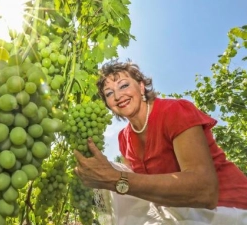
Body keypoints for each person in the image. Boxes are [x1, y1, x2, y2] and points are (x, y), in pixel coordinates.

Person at [73, 59, 247, 224]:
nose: (118, 96)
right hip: (180, 212)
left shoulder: (174, 111)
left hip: (227, 209)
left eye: (124, 85)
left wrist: (115, 179)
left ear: (141, 87)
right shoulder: (124, 139)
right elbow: (137, 191)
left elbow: (205, 192)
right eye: (109, 94)